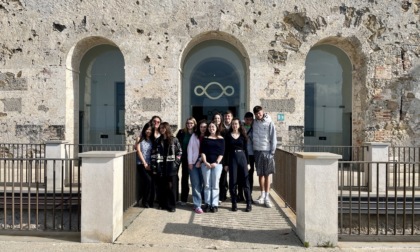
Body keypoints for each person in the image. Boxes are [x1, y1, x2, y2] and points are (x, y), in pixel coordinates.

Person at [151, 122, 182, 212]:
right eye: (160, 128)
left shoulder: (174, 140)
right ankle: (162, 204)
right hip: (160, 167)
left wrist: (176, 163)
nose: (162, 130)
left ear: (167, 128)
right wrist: (154, 166)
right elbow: (153, 154)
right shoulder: (157, 141)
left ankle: (172, 205)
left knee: (171, 187)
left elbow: (179, 152)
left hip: (171, 167)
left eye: (163, 128)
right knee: (161, 187)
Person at [225, 118, 252, 212]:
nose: (234, 125)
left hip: (242, 158)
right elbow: (226, 151)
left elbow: (246, 150)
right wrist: (226, 164)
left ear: (239, 125)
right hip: (232, 158)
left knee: (245, 181)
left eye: (236, 124)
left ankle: (248, 203)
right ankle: (234, 203)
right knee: (233, 181)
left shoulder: (243, 136)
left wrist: (248, 163)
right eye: (233, 124)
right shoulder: (228, 136)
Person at [252, 106, 277, 208]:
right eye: (256, 114)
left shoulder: (269, 122)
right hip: (257, 151)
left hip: (267, 151)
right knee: (260, 174)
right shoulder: (254, 122)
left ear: (263, 112)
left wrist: (272, 152)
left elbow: (273, 137)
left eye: (260, 113)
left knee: (267, 175)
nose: (258, 115)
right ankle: (262, 195)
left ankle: (267, 197)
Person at [200, 121, 224, 213]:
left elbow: (221, 153)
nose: (211, 128)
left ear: (217, 127)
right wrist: (205, 162)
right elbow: (203, 152)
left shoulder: (221, 139)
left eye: (213, 126)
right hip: (206, 164)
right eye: (209, 127)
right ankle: (207, 203)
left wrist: (216, 162)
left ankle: (214, 204)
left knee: (215, 185)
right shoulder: (205, 138)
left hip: (217, 165)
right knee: (206, 185)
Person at [187, 119, 207, 214]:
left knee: (203, 184)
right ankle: (197, 205)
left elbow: (208, 151)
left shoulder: (208, 137)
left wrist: (201, 160)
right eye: (201, 127)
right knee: (195, 184)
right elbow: (190, 149)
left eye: (204, 127)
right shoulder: (194, 136)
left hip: (204, 163)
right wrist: (190, 162)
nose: (203, 129)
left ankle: (203, 202)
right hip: (193, 163)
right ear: (198, 127)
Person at [176, 117, 197, 205]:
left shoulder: (196, 133)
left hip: (192, 158)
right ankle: (183, 199)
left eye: (191, 123)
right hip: (182, 157)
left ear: (194, 124)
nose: (189, 125)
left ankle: (195, 199)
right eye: (188, 123)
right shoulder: (181, 132)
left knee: (194, 178)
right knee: (184, 178)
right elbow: (176, 143)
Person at [136, 122, 155, 208]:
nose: (149, 131)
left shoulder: (152, 140)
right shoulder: (139, 139)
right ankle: (144, 201)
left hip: (151, 164)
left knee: (152, 182)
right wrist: (144, 163)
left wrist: (150, 164)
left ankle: (150, 201)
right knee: (148, 181)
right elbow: (139, 151)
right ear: (144, 129)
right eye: (147, 129)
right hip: (142, 164)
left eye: (150, 130)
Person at [238, 112, 255, 201]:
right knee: (240, 175)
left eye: (250, 119)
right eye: (247, 119)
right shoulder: (240, 127)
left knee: (250, 176)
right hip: (242, 154)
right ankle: (240, 194)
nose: (248, 121)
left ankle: (249, 194)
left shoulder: (254, 128)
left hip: (251, 154)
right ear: (244, 119)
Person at [219, 110, 233, 202]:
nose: (227, 118)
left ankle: (233, 195)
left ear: (231, 117)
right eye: (225, 117)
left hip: (233, 154)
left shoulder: (235, 126)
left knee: (233, 176)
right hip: (223, 155)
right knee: (223, 176)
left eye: (229, 116)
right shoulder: (220, 127)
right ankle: (222, 195)